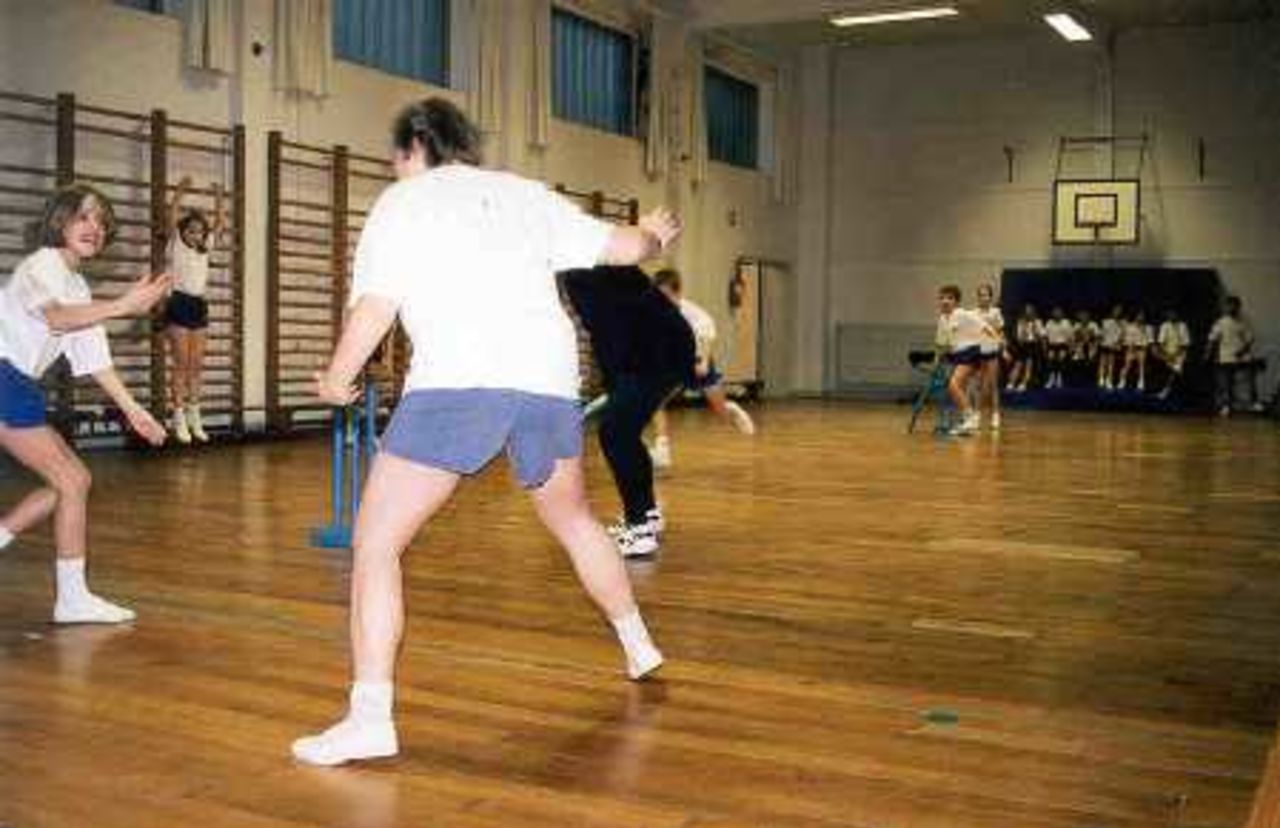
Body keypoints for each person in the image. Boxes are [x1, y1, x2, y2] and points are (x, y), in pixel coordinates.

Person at [291, 98, 680, 767]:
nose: (394, 166)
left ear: (414, 146)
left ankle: (369, 718)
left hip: (458, 382)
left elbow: (375, 305)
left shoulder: (402, 202)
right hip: (548, 383)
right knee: (577, 521)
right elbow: (623, 248)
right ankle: (638, 644)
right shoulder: (527, 194)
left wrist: (335, 377)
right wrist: (651, 234)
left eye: (396, 155)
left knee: (376, 544)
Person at [0, 184, 170, 623]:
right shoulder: (41, 265)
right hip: (3, 377)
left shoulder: (77, 286)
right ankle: (72, 600)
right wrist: (123, 304)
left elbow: (94, 362)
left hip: (16, 383)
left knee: (71, 482)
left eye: (101, 221)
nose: (94, 227)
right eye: (83, 217)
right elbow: (54, 317)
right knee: (72, 482)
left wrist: (135, 411)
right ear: (59, 220)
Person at [648, 268, 754, 468]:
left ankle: (731, 408)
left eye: (666, 296)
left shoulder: (690, 312)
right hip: (671, 364)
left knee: (719, 411)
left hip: (697, 362)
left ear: (678, 293)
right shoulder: (652, 311)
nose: (661, 301)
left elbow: (707, 333)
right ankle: (663, 452)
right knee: (655, 401)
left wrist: (703, 360)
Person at [163, 176, 224, 443]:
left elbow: (221, 225)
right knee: (181, 364)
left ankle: (195, 416)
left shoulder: (204, 249)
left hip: (198, 305)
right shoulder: (176, 245)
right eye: (190, 230)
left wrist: (220, 198)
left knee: (196, 365)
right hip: (178, 302)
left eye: (199, 231)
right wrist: (180, 191)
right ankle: (178, 418)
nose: (195, 234)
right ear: (183, 232)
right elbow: (172, 215)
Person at [935, 285, 997, 436]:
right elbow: (941, 343)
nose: (945, 301)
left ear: (956, 302)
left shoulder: (962, 314)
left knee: (953, 384)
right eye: (942, 298)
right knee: (958, 389)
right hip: (956, 355)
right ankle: (967, 421)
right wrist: (937, 358)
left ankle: (971, 417)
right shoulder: (942, 319)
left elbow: (984, 326)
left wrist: (997, 340)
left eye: (950, 298)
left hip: (971, 353)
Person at [1207, 295, 1263, 415]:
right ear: (1225, 307)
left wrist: (1242, 351)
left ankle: (1254, 403)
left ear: (1238, 307)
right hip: (1226, 357)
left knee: (1250, 379)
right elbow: (1212, 339)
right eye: (1229, 305)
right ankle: (1226, 405)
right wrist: (1208, 354)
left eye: (1234, 305)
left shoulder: (1243, 323)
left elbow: (1249, 339)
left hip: (1242, 356)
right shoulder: (1221, 322)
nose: (1231, 308)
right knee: (1226, 382)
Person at [971, 282, 1004, 430]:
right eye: (981, 295)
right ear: (977, 297)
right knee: (978, 385)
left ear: (991, 297)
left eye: (986, 295)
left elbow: (999, 332)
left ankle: (995, 415)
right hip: (978, 353)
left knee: (993, 385)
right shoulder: (973, 313)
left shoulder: (995, 312)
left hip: (992, 352)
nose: (983, 297)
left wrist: (1003, 348)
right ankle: (977, 415)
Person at [1155, 309, 1191, 400]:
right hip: (1167, 353)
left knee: (1176, 370)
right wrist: (1167, 355)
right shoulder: (1165, 325)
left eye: (1174, 314)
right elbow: (1161, 342)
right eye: (1170, 314)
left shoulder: (1183, 326)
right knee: (1169, 370)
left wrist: (1176, 354)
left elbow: (1185, 344)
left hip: (1179, 354)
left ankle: (1167, 390)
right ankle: (1165, 390)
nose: (1172, 316)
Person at [1006, 303, 1042, 393]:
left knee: (1028, 365)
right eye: (1026, 310)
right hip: (1022, 345)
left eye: (1030, 310)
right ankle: (1011, 383)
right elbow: (1018, 336)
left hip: (1033, 345)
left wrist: (1035, 329)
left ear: (1033, 312)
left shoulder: (1037, 322)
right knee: (1018, 364)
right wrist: (1023, 333)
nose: (1028, 312)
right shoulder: (1020, 322)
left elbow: (1041, 335)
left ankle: (1024, 383)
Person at [1119, 308, 1153, 392]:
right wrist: (1130, 347)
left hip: (1142, 348)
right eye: (1139, 315)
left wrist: (1145, 346)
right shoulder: (1130, 326)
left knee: (1141, 366)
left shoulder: (1148, 327)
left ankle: (1141, 381)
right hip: (1131, 348)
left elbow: (1149, 340)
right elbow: (1126, 338)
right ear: (1135, 316)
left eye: (1142, 316)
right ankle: (1122, 381)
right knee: (1127, 365)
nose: (1141, 317)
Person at [1041, 306, 1074, 390]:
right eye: (1055, 312)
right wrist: (1044, 347)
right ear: (1052, 314)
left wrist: (1071, 348)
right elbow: (1044, 336)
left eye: (1059, 312)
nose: (1057, 314)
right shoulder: (1049, 323)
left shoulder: (1066, 322)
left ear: (1062, 314)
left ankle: (1059, 377)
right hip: (1052, 345)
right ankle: (1051, 378)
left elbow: (1070, 337)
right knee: (1051, 359)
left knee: (1060, 359)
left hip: (1063, 345)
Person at [1098, 304, 1124, 390]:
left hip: (1114, 345)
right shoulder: (1105, 321)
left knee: (1111, 363)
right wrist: (1102, 342)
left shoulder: (1122, 323)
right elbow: (1101, 334)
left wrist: (1118, 344)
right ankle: (1101, 378)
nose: (1117, 312)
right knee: (1103, 362)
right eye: (1116, 310)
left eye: (1119, 311)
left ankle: (1109, 380)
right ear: (1112, 311)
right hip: (1105, 344)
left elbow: (1121, 336)